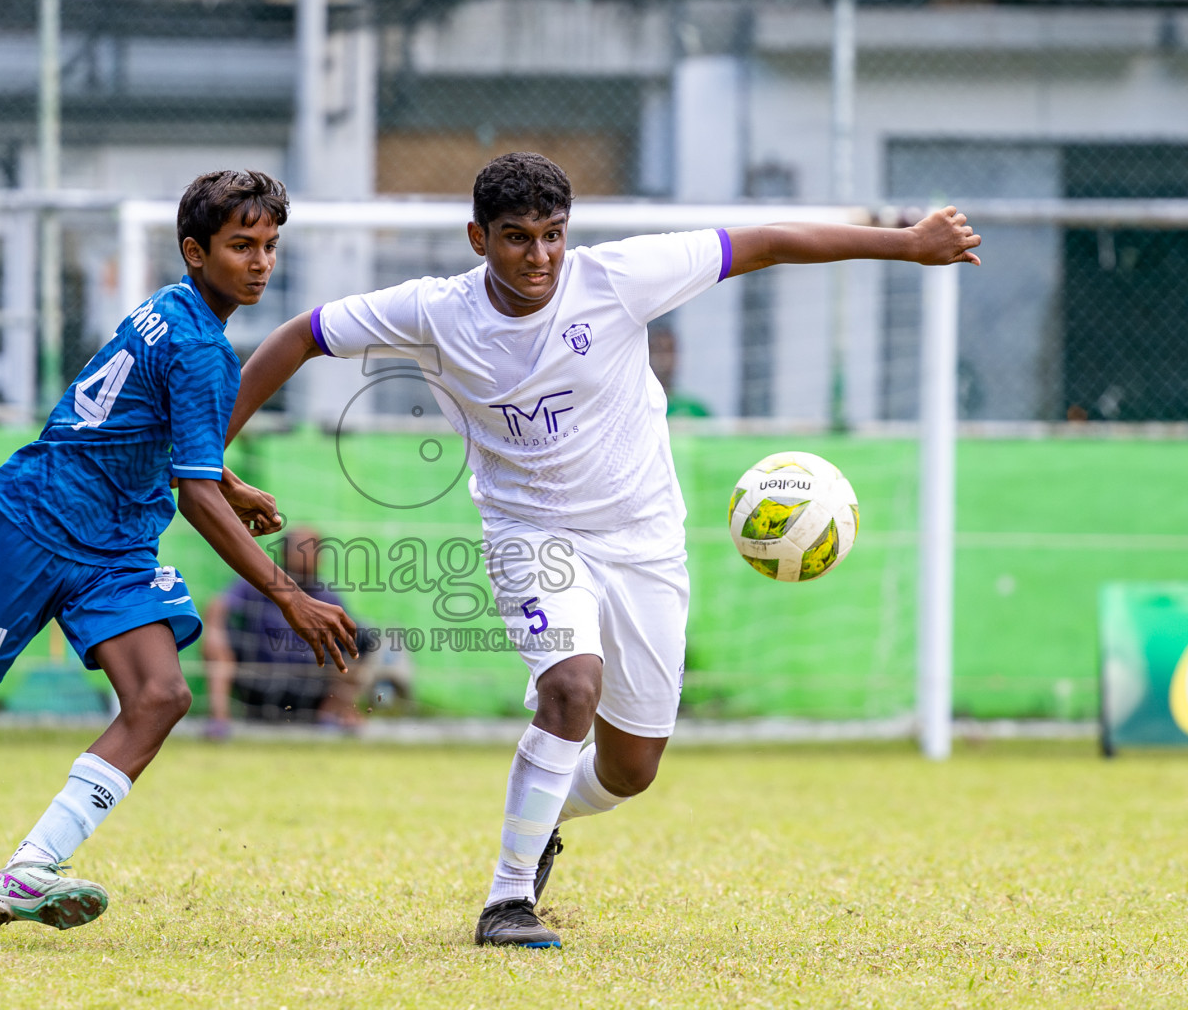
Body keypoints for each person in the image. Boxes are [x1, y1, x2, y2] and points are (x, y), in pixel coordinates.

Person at [225, 152, 981, 947]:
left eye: (553, 235)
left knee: (631, 771)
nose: (540, 257)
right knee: (571, 688)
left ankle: (543, 817)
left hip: (645, 542)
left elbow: (767, 242)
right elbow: (298, 336)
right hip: (532, 536)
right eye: (517, 238)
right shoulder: (434, 310)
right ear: (479, 237)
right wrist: (209, 455)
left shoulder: (618, 277)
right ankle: (508, 900)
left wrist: (908, 244)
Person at [0, 169, 359, 930]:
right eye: (241, 246)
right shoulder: (199, 346)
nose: (260, 263)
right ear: (195, 251)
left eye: (270, 247)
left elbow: (140, 427)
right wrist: (289, 593)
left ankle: (31, 866)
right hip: (31, 526)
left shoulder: (172, 312)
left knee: (161, 696)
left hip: (115, 547)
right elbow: (194, 499)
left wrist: (227, 478)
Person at [202, 525, 366, 734]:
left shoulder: (328, 596)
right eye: (303, 548)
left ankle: (332, 713)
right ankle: (219, 721)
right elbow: (218, 605)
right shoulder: (260, 581)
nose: (310, 555)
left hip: (311, 688)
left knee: (360, 639)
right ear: (285, 552)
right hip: (257, 682)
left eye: (316, 549)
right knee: (218, 637)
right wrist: (214, 633)